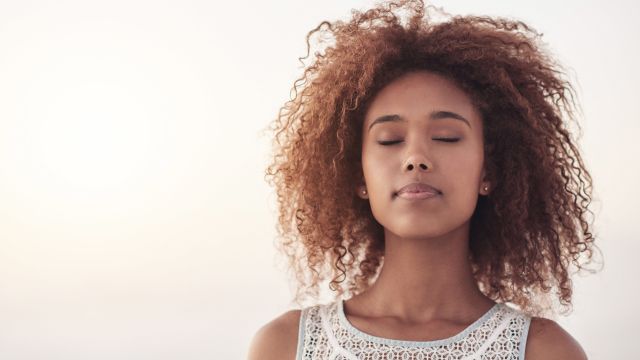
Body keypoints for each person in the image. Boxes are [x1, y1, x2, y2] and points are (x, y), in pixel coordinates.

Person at [249, 0, 599, 359]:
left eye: (447, 136)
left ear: (490, 170)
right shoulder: (286, 346)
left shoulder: (543, 351)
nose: (416, 158)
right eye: (390, 140)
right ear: (358, 175)